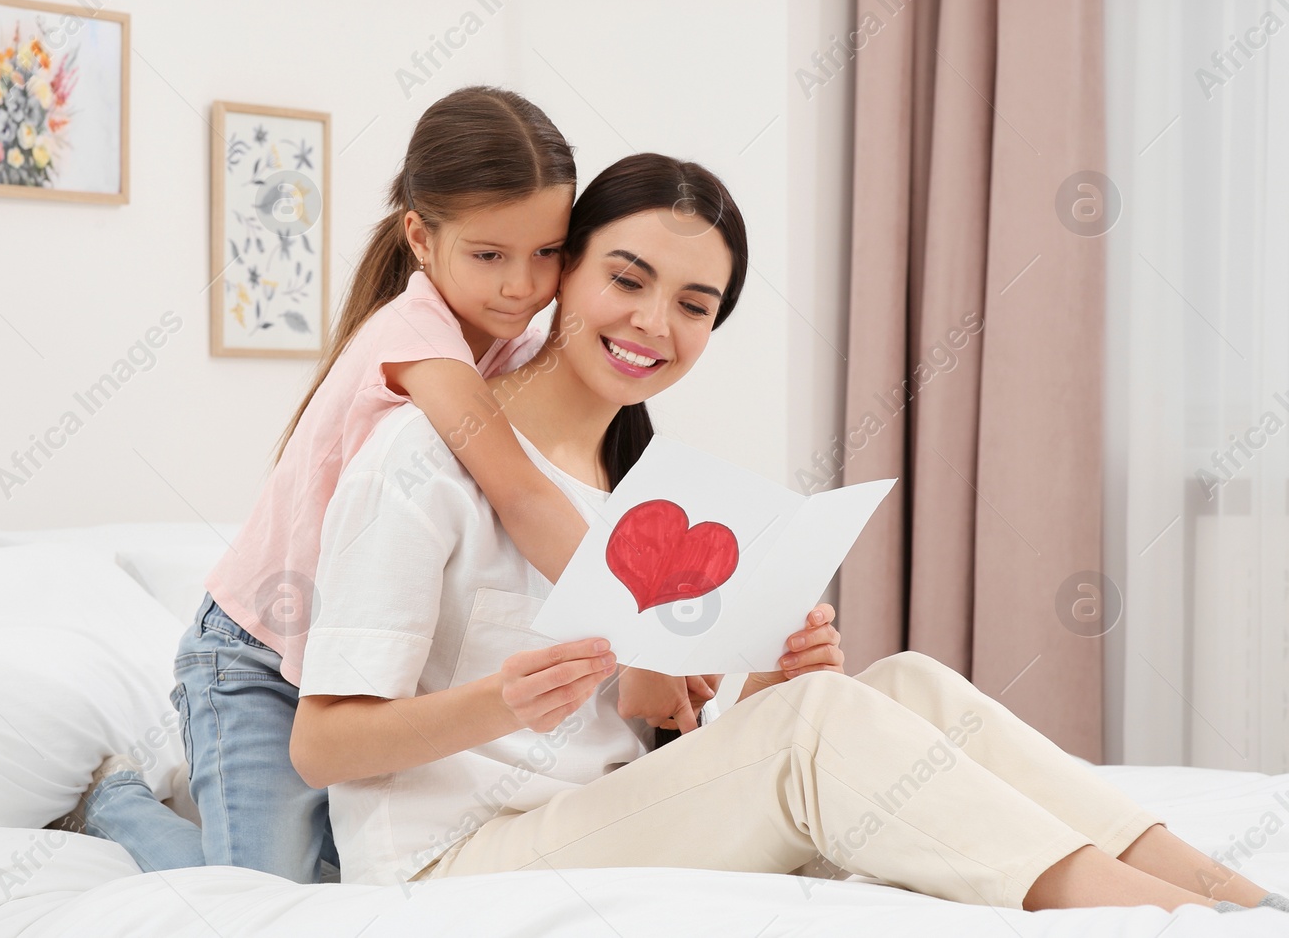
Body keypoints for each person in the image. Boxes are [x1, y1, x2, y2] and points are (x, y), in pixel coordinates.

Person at [288, 152, 1283, 913]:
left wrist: (758, 688)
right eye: (625, 279)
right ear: (561, 273)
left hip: (588, 814)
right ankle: (1152, 917)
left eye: (693, 303)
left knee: (902, 683)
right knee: (818, 727)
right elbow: (321, 742)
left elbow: (643, 733)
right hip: (447, 863)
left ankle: (1225, 896)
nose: (651, 323)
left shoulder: (637, 486)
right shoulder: (423, 457)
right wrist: (500, 702)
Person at [69, 88, 708, 880]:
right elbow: (523, 494)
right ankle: (119, 801)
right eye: (488, 255)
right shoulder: (417, 342)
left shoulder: (511, 345)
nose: (519, 285)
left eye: (545, 253)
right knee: (259, 901)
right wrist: (644, 636)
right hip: (257, 660)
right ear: (420, 236)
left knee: (340, 877)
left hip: (345, 660)